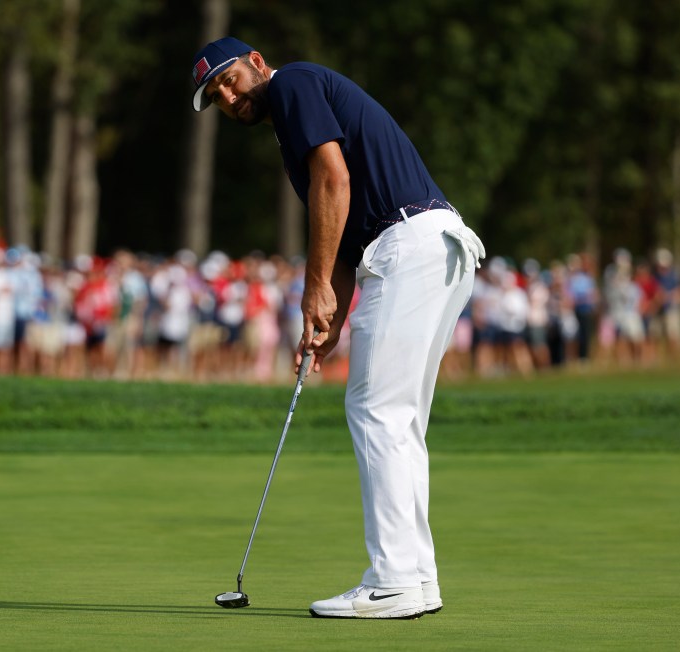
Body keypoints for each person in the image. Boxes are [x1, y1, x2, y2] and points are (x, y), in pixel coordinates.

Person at [191, 37, 485, 619]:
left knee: (377, 411)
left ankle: (393, 581)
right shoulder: (294, 122)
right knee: (399, 419)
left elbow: (334, 182)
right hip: (432, 247)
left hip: (410, 245)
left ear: (256, 63)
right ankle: (416, 578)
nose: (227, 95)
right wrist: (328, 322)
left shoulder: (292, 83)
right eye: (215, 95)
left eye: (229, 78)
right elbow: (346, 241)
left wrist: (313, 286)